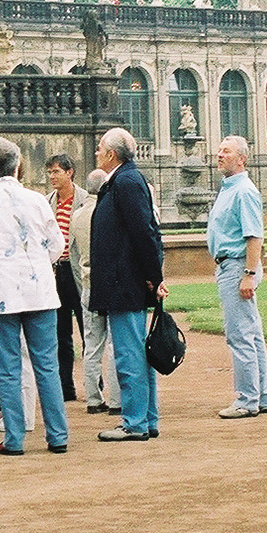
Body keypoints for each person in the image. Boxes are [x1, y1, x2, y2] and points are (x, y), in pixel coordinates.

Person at [0, 137, 68, 457]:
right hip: (39, 290)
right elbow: (56, 245)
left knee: (7, 368)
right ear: (18, 164)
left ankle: (15, 438)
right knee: (46, 365)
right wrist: (36, 263)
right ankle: (58, 435)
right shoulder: (37, 200)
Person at [90, 127, 166, 443]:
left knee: (129, 355)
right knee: (136, 353)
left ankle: (135, 422)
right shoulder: (123, 181)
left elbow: (145, 232)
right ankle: (146, 418)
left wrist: (155, 277)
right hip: (124, 280)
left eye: (100, 148)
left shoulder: (126, 182)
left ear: (112, 154)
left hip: (124, 282)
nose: (96, 152)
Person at [207, 137, 267, 418]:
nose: (219, 155)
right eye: (219, 150)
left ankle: (247, 400)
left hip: (236, 267)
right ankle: (261, 395)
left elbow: (254, 236)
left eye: (226, 151)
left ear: (241, 159)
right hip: (232, 266)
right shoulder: (230, 188)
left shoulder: (243, 191)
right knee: (252, 334)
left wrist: (248, 274)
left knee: (240, 335)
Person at [74, 169, 119, 416]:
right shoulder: (106, 212)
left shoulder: (78, 215)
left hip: (87, 283)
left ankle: (93, 398)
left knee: (91, 344)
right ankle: (117, 398)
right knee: (113, 342)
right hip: (108, 283)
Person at [45, 153, 86, 401]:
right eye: (50, 172)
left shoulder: (84, 200)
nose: (52, 177)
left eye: (56, 172)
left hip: (77, 270)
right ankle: (65, 388)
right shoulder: (47, 202)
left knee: (87, 330)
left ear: (69, 172)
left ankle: (94, 385)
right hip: (56, 272)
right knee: (60, 334)